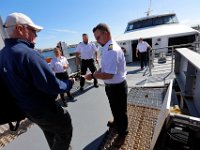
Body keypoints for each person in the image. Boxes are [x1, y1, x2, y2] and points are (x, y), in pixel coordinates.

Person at [0, 12, 74, 150]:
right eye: (33, 30)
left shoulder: (3, 54)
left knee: (49, 129)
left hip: (27, 109)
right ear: (20, 29)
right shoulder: (28, 54)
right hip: (43, 108)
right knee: (64, 124)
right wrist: (69, 83)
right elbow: (53, 86)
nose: (36, 35)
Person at [84, 23, 128, 147]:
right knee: (114, 107)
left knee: (121, 112)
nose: (97, 41)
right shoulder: (107, 46)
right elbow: (105, 68)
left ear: (105, 33)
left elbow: (109, 75)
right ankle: (116, 122)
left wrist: (92, 75)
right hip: (111, 87)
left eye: (98, 38)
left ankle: (122, 134)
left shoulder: (112, 49)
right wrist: (98, 71)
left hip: (117, 87)